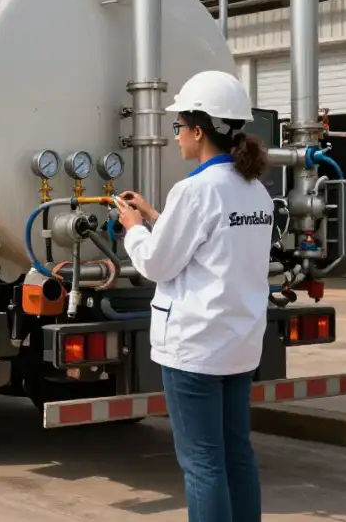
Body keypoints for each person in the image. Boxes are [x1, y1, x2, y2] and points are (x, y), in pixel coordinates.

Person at [115, 69, 273, 522]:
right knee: (236, 455)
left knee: (202, 465)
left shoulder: (195, 190)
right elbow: (212, 245)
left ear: (198, 130)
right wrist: (155, 214)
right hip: (237, 345)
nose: (177, 136)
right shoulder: (254, 190)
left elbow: (157, 264)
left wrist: (134, 229)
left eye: (178, 126)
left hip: (194, 349)